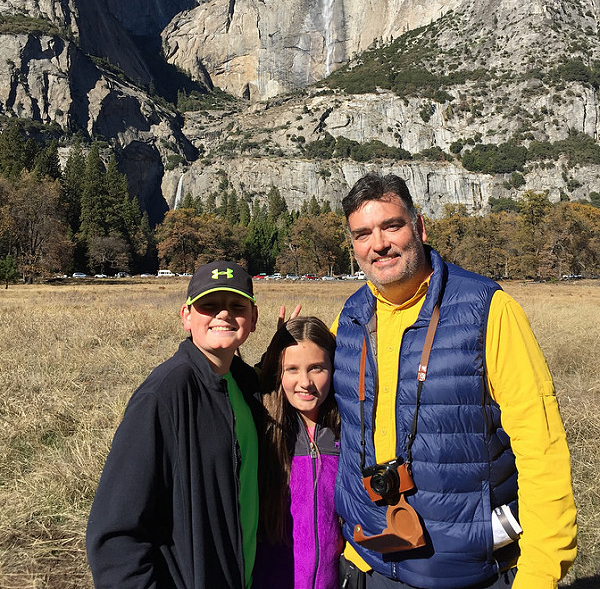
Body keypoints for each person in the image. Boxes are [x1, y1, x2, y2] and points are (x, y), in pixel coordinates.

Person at [332, 173, 577, 589]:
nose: (379, 244)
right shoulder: (351, 318)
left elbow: (542, 448)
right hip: (372, 563)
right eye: (362, 234)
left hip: (470, 571)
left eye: (392, 225)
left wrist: (540, 572)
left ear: (420, 227)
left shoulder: (489, 311)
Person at [86, 260, 263, 589]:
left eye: (236, 306)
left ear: (252, 319)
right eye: (208, 305)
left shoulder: (246, 385)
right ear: (186, 316)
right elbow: (114, 535)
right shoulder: (164, 396)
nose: (223, 315)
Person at [253, 317, 343, 589]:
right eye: (291, 369)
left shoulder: (349, 430)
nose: (305, 382)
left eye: (316, 368)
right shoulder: (263, 428)